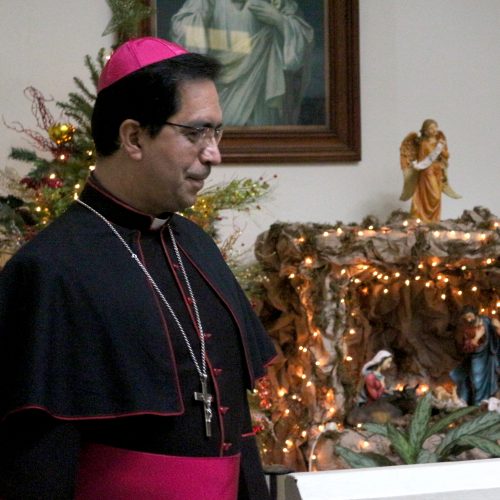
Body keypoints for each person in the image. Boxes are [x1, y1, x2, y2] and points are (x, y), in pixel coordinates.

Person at [0, 37, 276, 499]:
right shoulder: (48, 271)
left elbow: (237, 428)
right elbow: (32, 466)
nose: (214, 154)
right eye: (196, 133)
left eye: (217, 133)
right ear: (132, 137)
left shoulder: (198, 248)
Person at [169, 0, 314, 126]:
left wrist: (278, 19)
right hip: (222, 87)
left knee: (263, 131)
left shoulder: (276, 2)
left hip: (262, 85)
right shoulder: (205, 2)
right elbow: (183, 29)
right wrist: (198, 22)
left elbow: (303, 41)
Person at [399, 118, 461, 223]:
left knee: (437, 196)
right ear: (425, 131)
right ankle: (423, 219)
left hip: (438, 171)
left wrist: (441, 148)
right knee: (434, 196)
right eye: (431, 128)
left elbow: (446, 155)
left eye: (435, 127)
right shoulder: (423, 144)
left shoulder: (439, 142)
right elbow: (423, 160)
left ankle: (433, 221)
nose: (434, 130)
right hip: (427, 172)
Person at [450, 306, 500, 406]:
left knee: (487, 381)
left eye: (470, 316)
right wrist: (474, 339)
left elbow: (493, 335)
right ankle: (477, 404)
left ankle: (482, 404)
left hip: (488, 356)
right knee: (475, 380)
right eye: (466, 317)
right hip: (475, 357)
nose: (468, 319)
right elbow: (467, 346)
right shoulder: (466, 327)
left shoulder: (485, 321)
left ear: (475, 314)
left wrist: (497, 327)